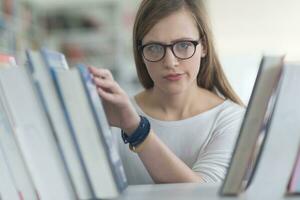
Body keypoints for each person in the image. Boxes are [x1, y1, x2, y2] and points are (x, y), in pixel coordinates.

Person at [89, 0, 245, 185]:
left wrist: (136, 130)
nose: (170, 62)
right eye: (154, 48)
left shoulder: (232, 119)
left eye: (183, 45)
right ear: (140, 54)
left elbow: (202, 194)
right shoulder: (114, 114)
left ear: (203, 46)